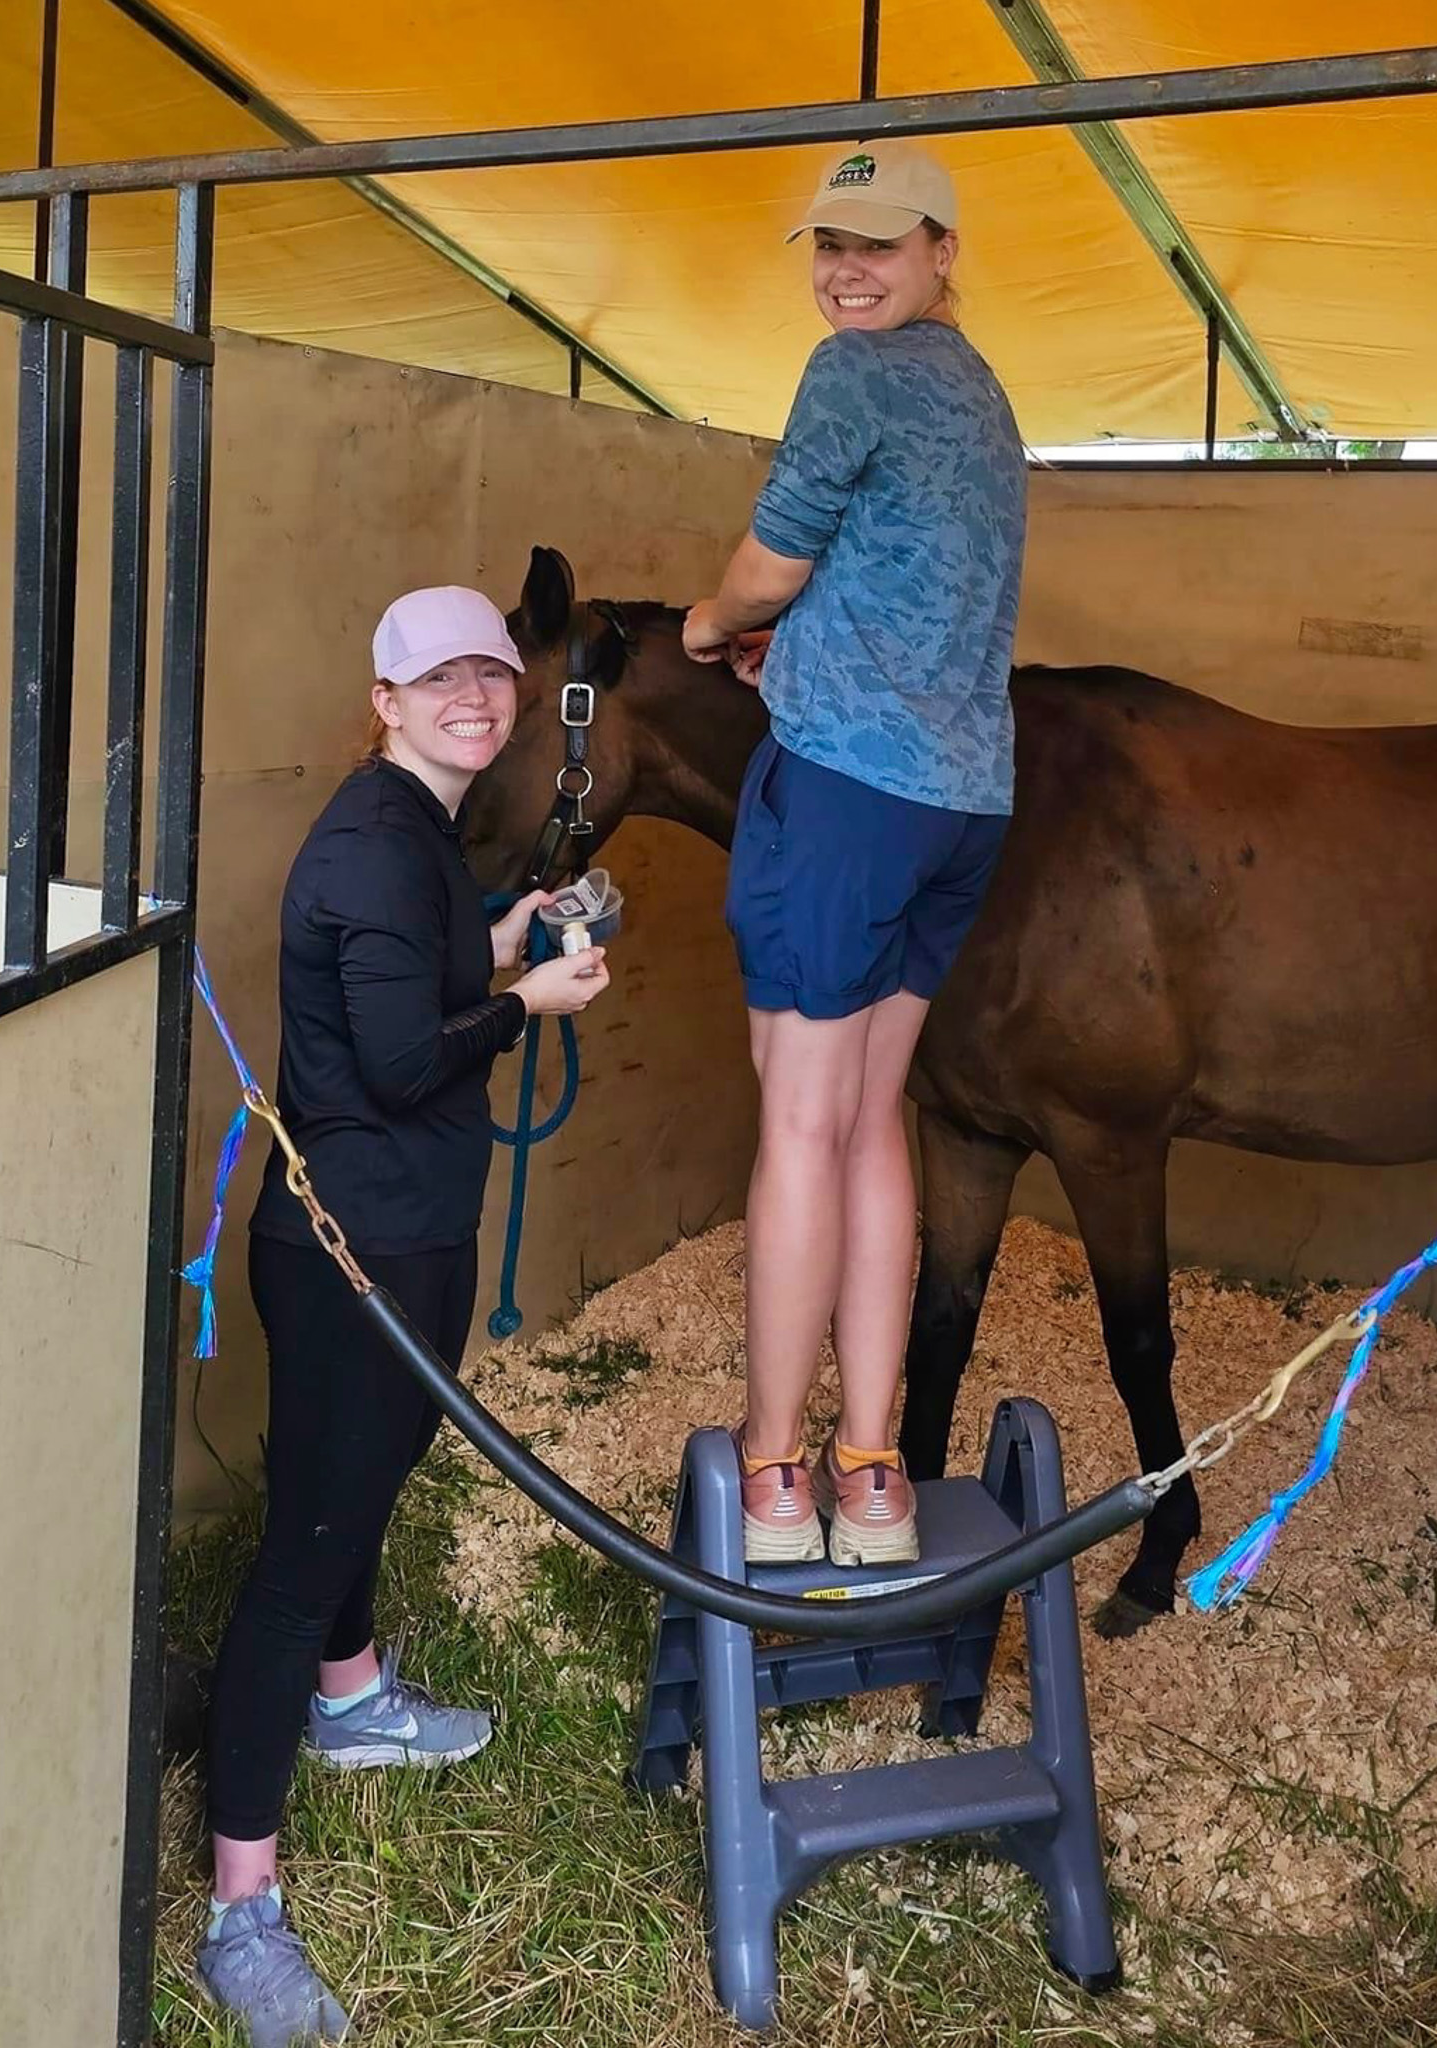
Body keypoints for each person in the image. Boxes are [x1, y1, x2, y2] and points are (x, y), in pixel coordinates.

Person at [197, 586, 611, 2047]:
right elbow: (386, 1069)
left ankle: (356, 1698)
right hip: (356, 1244)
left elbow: (412, 983)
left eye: (490, 675)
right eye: (437, 679)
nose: (473, 698)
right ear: (383, 700)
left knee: (353, 1486)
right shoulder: (377, 848)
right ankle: (239, 1907)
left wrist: (502, 937)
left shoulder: (416, 833)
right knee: (305, 1549)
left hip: (388, 1230)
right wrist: (532, 1003)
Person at [683, 140, 1028, 1568]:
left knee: (800, 1125)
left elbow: (774, 560)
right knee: (873, 1118)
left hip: (846, 796)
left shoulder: (854, 376)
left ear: (944, 252)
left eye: (879, 246)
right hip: (961, 796)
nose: (847, 270)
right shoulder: (978, 392)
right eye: (831, 245)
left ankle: (773, 1481)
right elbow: (894, 578)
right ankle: (874, 1473)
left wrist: (711, 631)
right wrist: (806, 646)